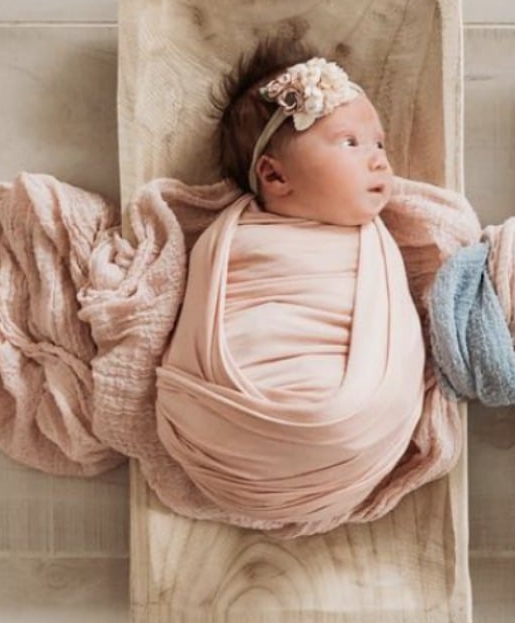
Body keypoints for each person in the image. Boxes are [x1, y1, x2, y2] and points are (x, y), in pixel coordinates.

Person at [153, 38, 428, 526]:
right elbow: (206, 311)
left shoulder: (378, 241)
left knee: (337, 420)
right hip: (231, 423)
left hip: (348, 430)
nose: (379, 160)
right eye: (351, 143)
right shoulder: (230, 239)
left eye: (379, 143)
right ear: (275, 177)